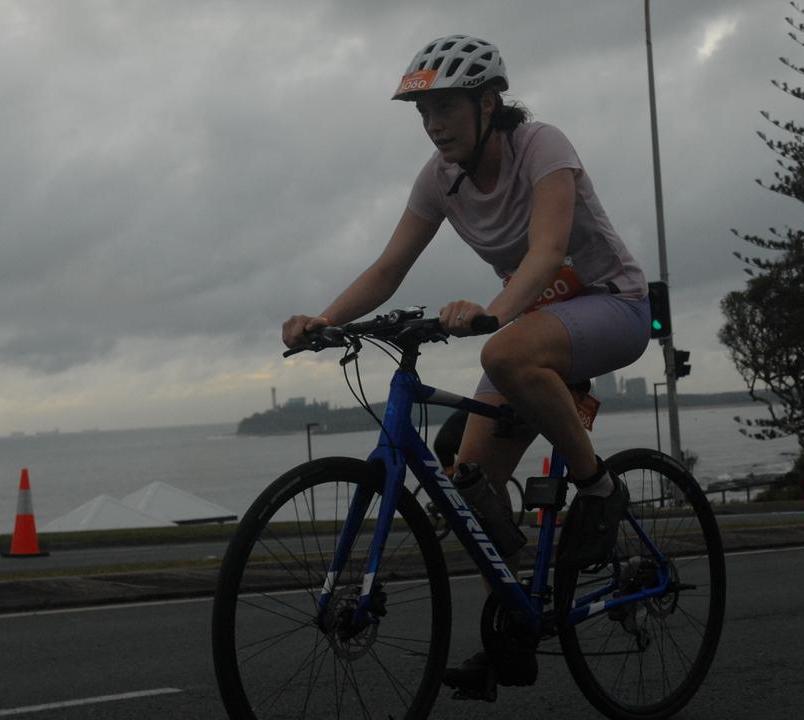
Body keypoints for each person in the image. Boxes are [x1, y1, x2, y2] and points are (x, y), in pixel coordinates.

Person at [281, 34, 651, 696]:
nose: (433, 125)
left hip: (611, 308)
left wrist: (492, 311)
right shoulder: (441, 178)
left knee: (502, 349)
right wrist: (324, 322)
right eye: (423, 113)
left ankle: (599, 491)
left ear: (488, 103)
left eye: (446, 107)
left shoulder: (543, 147)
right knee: (466, 487)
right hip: (535, 331)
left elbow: (547, 250)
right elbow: (390, 267)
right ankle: (515, 624)